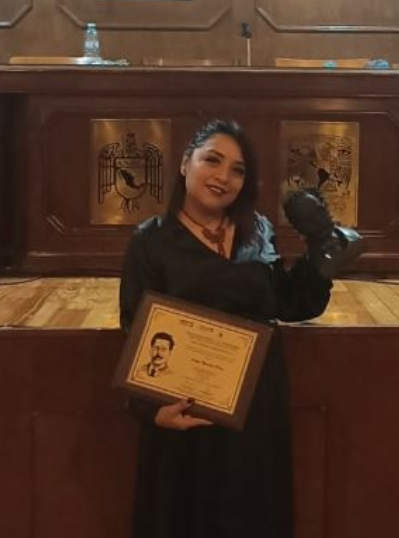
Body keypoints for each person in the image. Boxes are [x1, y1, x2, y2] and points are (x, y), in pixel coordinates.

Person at [120, 119, 357, 538]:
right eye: (212, 160)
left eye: (237, 169)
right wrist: (152, 410)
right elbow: (134, 326)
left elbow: (290, 302)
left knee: (252, 514)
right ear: (185, 163)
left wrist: (321, 250)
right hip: (188, 408)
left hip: (255, 402)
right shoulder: (150, 240)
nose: (223, 176)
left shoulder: (257, 230)